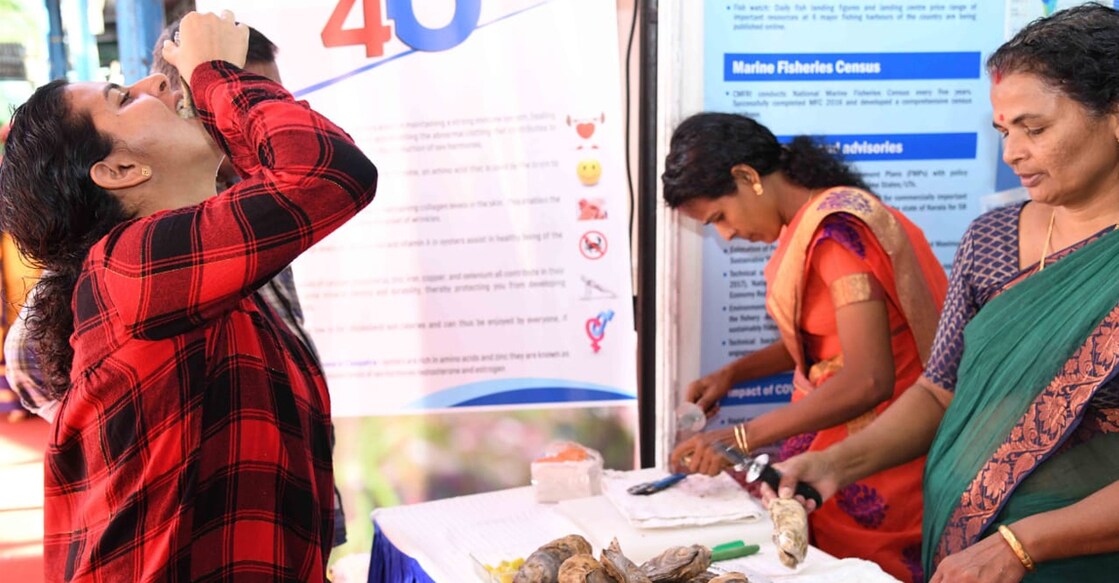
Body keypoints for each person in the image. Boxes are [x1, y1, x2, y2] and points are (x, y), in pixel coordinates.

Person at [0, 10, 377, 581]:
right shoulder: (131, 265)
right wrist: (213, 70)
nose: (158, 84)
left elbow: (301, 170)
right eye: (124, 98)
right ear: (122, 169)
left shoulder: (200, 271)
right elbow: (328, 173)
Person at [774, 5, 1119, 581]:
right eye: (1004, 132)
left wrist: (1020, 544)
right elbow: (939, 392)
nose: (1012, 154)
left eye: (1035, 129)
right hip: (960, 552)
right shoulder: (992, 239)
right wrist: (835, 464)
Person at [662, 112, 948, 582]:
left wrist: (739, 438)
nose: (727, 235)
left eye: (720, 217)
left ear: (746, 177)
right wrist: (733, 374)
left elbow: (869, 379)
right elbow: (826, 343)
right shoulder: (814, 226)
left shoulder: (836, 236)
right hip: (844, 447)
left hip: (880, 456)